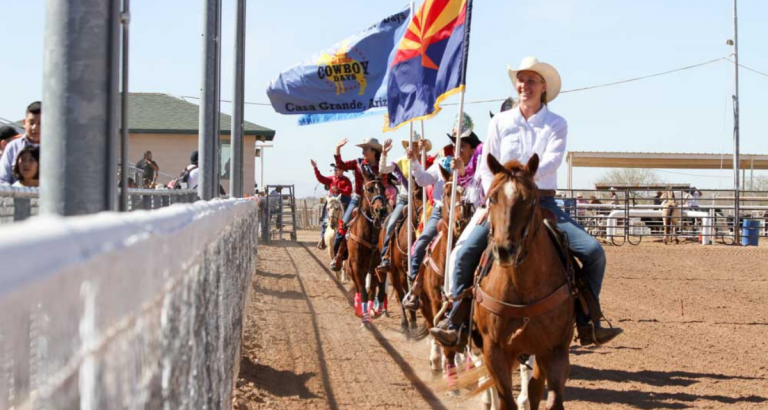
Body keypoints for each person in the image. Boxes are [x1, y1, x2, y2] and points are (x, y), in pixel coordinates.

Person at [430, 56, 622, 348]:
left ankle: (588, 320)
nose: (524, 86)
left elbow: (552, 161)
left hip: (543, 202)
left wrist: (522, 182)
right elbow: (485, 165)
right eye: (520, 80)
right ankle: (455, 320)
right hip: (500, 203)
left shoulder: (556, 124)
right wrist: (490, 199)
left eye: (531, 81)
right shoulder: (499, 122)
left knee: (594, 252)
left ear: (543, 87)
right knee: (463, 251)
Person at [376, 133, 433, 274]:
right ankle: (386, 256)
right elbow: (383, 169)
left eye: (415, 144)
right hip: (405, 199)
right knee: (391, 223)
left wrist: (423, 154)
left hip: (424, 200)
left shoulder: (427, 161)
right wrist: (384, 153)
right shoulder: (401, 161)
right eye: (410, 144)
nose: (412, 147)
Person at [329, 137, 383, 271]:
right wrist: (337, 149)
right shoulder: (358, 163)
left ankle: (388, 256)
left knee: (389, 225)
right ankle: (338, 256)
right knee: (343, 226)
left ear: (374, 151)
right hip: (358, 198)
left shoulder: (381, 166)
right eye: (363, 149)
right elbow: (341, 165)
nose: (363, 151)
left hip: (377, 199)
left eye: (366, 149)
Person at [311, 159, 353, 249]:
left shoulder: (346, 180)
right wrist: (315, 168)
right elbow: (320, 178)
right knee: (326, 219)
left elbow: (349, 191)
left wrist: (339, 190)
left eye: (336, 169)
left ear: (341, 170)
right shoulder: (331, 179)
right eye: (334, 169)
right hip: (333, 201)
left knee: (350, 219)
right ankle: (323, 238)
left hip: (344, 201)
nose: (334, 171)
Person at [0, 101, 41, 185]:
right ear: (24, 123)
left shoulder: (56, 150)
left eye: (40, 123)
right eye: (31, 122)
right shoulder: (12, 147)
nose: (35, 127)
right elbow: (2, 180)